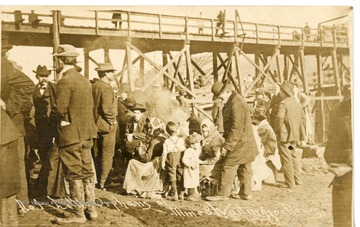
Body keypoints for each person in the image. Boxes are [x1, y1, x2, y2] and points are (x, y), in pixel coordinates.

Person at [53, 44, 98, 223]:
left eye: (57, 59)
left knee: (73, 174)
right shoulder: (84, 79)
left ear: (61, 61)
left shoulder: (65, 81)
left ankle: (78, 214)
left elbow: (59, 108)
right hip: (87, 134)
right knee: (87, 171)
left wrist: (58, 120)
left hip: (71, 135)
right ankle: (91, 210)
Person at [206, 80, 258, 201]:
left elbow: (237, 127)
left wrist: (227, 146)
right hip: (245, 141)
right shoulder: (233, 101)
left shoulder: (236, 103)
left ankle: (222, 194)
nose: (220, 99)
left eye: (220, 96)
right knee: (245, 166)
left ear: (227, 91)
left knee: (229, 164)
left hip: (240, 141)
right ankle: (246, 193)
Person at [1, 37, 35, 208]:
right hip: (10, 126)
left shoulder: (9, 74)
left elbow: (26, 104)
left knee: (18, 168)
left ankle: (22, 204)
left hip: (13, 126)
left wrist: (7, 105)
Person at [324, 85, 352, 227]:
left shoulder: (338, 110)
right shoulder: (338, 111)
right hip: (345, 178)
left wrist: (349, 163)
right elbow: (330, 152)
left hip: (346, 176)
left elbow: (330, 152)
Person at [32, 65, 59, 197]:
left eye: (46, 76)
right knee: (43, 155)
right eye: (41, 76)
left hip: (52, 126)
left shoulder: (54, 88)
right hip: (39, 127)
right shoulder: (33, 90)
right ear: (37, 76)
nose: (43, 79)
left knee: (51, 155)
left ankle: (45, 185)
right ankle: (42, 184)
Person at [123, 117, 166, 198]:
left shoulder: (154, 141)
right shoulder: (164, 139)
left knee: (132, 162)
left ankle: (132, 189)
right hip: (158, 164)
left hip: (153, 166)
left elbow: (146, 159)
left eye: (150, 128)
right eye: (148, 128)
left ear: (156, 129)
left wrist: (139, 152)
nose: (149, 130)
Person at [92, 63, 118, 191]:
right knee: (107, 154)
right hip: (106, 125)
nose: (114, 74)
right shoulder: (106, 88)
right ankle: (104, 182)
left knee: (96, 153)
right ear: (106, 74)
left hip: (95, 124)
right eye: (112, 72)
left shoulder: (94, 86)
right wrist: (112, 121)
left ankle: (97, 179)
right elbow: (107, 108)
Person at [275, 80, 306, 189]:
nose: (279, 93)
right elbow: (303, 119)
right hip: (293, 138)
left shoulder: (283, 103)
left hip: (285, 139)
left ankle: (290, 183)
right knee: (293, 156)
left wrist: (280, 131)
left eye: (281, 91)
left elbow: (279, 118)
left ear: (284, 92)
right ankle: (298, 180)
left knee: (286, 159)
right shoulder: (297, 104)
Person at [0, 107, 22, 226]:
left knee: (5, 181)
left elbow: (26, 87)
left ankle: (7, 222)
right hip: (6, 133)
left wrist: (8, 104)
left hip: (3, 136)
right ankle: (10, 221)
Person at [161, 121, 186, 201]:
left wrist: (162, 162)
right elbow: (183, 149)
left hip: (171, 157)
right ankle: (181, 193)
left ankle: (174, 193)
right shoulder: (181, 140)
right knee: (180, 173)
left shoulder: (167, 141)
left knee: (172, 174)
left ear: (167, 132)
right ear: (177, 130)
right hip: (180, 157)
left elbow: (164, 153)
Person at [182, 133, 202, 201]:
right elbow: (184, 160)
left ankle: (194, 193)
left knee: (194, 181)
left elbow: (196, 159)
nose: (199, 144)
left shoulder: (196, 151)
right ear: (191, 144)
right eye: (197, 143)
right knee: (190, 181)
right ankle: (190, 195)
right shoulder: (188, 151)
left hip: (195, 170)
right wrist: (190, 164)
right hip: (189, 170)